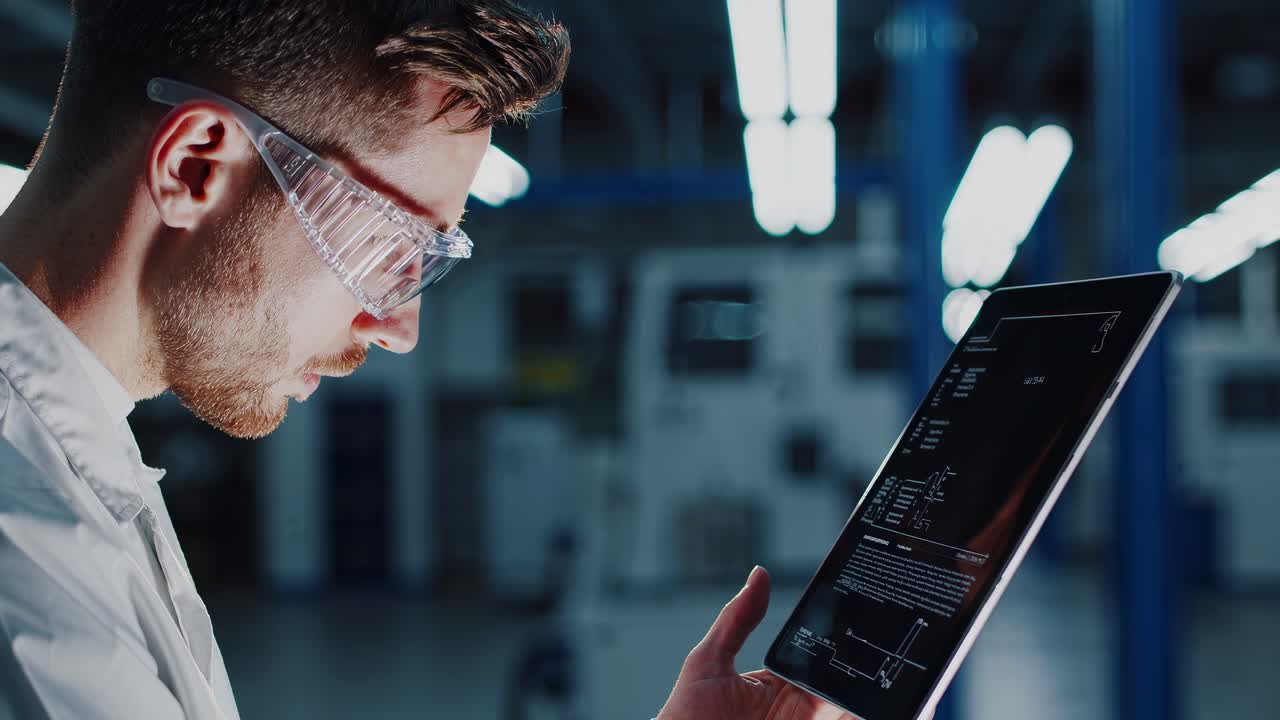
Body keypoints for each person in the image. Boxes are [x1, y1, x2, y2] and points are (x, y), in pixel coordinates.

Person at [0, 2, 854, 719]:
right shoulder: (27, 557)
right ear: (197, 167)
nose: (398, 328)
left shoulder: (72, 460)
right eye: (385, 244)